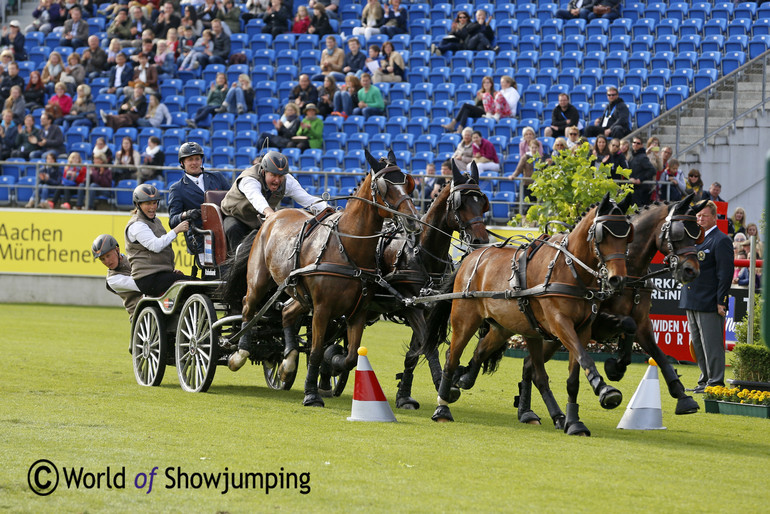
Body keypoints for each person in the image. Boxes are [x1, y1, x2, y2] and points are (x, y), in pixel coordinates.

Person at [220, 150, 328, 253]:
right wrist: (269, 213)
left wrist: (329, 210)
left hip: (259, 220)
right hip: (236, 217)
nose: (277, 180)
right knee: (233, 229)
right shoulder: (249, 179)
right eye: (273, 175)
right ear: (264, 171)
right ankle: (236, 266)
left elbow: (308, 199)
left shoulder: (288, 181)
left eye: (280, 176)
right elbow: (257, 198)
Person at [680, 201, 733, 393]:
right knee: (697, 344)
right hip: (691, 298)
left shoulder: (721, 240)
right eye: (698, 216)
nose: (700, 219)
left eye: (704, 216)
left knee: (712, 344)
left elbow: (725, 274)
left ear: (714, 217)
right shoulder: (693, 239)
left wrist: (721, 301)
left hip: (709, 300)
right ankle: (704, 380)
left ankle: (716, 382)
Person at [125, 183, 195, 297]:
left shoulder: (156, 221)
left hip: (159, 276)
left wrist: (170, 271)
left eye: (154, 203)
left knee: (194, 282)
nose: (152, 207)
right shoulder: (137, 225)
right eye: (148, 203)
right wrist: (176, 230)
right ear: (138, 205)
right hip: (148, 279)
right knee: (195, 284)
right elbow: (156, 246)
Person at [168, 141, 231, 260]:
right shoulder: (177, 189)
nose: (194, 163)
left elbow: (232, 200)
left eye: (197, 159)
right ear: (182, 163)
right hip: (201, 237)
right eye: (190, 159)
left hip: (224, 232)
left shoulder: (217, 177)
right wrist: (187, 214)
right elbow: (172, 221)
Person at [92, 234, 142, 321]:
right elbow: (141, 285)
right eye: (102, 259)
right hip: (140, 316)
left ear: (117, 250)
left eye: (108, 256)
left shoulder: (132, 258)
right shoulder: (112, 279)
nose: (107, 261)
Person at [628, 137, 655, 207]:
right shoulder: (632, 157)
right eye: (634, 142)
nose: (635, 144)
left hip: (641, 191)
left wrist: (640, 179)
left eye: (638, 143)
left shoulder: (643, 157)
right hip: (633, 189)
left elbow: (652, 170)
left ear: (641, 145)